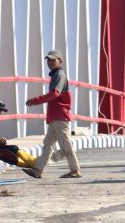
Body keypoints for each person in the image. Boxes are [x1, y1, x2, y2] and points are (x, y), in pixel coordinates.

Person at [22, 50, 82, 179]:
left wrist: (35, 100)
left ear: (60, 61)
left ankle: (75, 169)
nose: (50, 62)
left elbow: (55, 93)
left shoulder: (59, 75)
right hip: (55, 116)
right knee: (48, 143)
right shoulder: (55, 75)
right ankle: (38, 170)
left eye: (53, 60)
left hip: (60, 116)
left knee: (65, 144)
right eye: (48, 60)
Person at [0, 99, 38, 169]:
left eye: (0, 111)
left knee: (13, 148)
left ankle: (32, 163)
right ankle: (32, 163)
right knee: (5, 153)